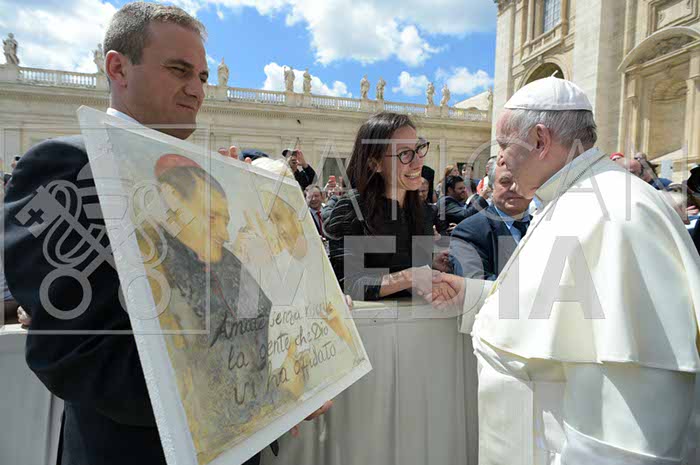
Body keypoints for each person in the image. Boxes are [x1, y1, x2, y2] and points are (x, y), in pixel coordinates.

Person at [3, 4, 327, 465]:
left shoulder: (216, 182)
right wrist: (253, 395)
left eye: (202, 76)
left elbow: (253, 316)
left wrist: (296, 370)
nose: (197, 89)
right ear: (118, 68)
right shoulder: (66, 168)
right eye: (179, 70)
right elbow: (76, 350)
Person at [432, 77, 700, 464]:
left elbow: (632, 423)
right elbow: (560, 301)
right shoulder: (571, 198)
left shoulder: (617, 213)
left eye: (505, 146)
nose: (501, 159)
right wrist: (472, 294)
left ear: (540, 140)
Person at [325, 112, 449, 301]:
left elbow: (414, 275)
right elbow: (349, 284)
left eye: (418, 148)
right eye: (404, 154)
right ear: (375, 164)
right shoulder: (351, 210)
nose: (418, 163)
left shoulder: (423, 211)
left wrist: (432, 265)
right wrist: (409, 276)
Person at [449, 161, 531, 280]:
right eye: (505, 182)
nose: (515, 187)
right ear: (491, 188)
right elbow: (477, 283)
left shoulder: (545, 225)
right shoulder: (468, 232)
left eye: (522, 181)